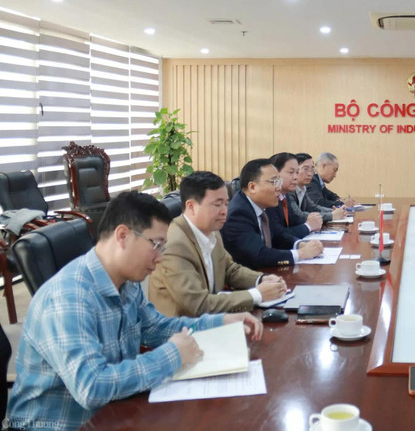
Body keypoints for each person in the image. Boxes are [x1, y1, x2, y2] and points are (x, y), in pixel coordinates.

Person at [6, 192, 262, 431]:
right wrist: (172, 354)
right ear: (123, 236)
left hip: (114, 411)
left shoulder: (126, 283)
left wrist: (222, 321)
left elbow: (156, 328)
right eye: (157, 244)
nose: (160, 257)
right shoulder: (68, 297)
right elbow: (92, 387)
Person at [148, 171, 289, 317]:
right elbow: (198, 304)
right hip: (181, 331)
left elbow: (230, 270)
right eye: (217, 205)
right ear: (191, 207)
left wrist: (261, 279)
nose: (224, 211)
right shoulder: (175, 244)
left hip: (208, 322)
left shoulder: (212, 231)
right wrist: (257, 295)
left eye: (226, 204)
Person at [221, 158, 323, 269]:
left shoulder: (263, 205)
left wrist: (299, 244)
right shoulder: (239, 213)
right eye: (274, 182)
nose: (279, 188)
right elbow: (258, 255)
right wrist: (301, 253)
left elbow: (278, 236)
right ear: (253, 187)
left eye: (279, 182)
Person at [267, 152, 323, 246]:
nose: (296, 177)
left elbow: (295, 221)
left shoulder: (285, 195)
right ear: (275, 174)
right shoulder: (269, 199)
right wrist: (308, 226)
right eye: (291, 172)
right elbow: (278, 236)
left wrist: (313, 220)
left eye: (297, 172)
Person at [289, 153, 346, 223]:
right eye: (305, 169)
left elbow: (313, 207)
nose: (310, 174)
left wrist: (334, 211)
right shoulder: (289, 191)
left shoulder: (302, 188)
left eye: (312, 169)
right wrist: (331, 215)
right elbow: (298, 215)